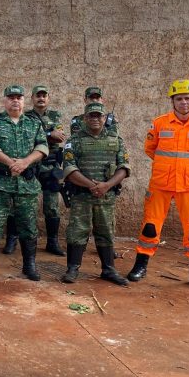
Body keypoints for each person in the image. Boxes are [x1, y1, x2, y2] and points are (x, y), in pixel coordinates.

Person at [127, 80, 189, 292]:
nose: (183, 102)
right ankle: (140, 266)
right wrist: (167, 167)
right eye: (179, 98)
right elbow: (150, 149)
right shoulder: (160, 123)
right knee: (150, 226)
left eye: (187, 98)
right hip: (161, 184)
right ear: (173, 101)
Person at [0, 86, 49, 282]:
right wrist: (12, 163)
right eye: (11, 98)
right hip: (1, 183)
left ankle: (29, 265)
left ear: (24, 101)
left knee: (28, 226)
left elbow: (43, 146)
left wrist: (25, 162)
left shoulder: (34, 123)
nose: (15, 101)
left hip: (26, 184)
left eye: (19, 97)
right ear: (5, 101)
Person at [61, 103, 130, 285]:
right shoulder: (74, 140)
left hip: (106, 196)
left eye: (98, 115)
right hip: (81, 196)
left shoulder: (116, 140)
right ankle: (72, 269)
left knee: (106, 231)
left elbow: (124, 167)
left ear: (104, 118)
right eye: (91, 115)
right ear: (85, 118)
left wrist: (107, 185)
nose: (95, 119)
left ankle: (109, 269)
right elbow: (69, 169)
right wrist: (92, 186)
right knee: (77, 231)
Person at [25, 85, 67, 257]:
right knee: (24, 204)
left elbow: (60, 137)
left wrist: (47, 135)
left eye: (44, 95)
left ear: (48, 98)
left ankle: (52, 242)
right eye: (38, 95)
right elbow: (27, 137)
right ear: (32, 98)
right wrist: (50, 134)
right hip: (31, 166)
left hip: (51, 167)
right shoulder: (26, 117)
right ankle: (14, 239)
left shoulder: (56, 116)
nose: (41, 98)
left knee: (52, 206)